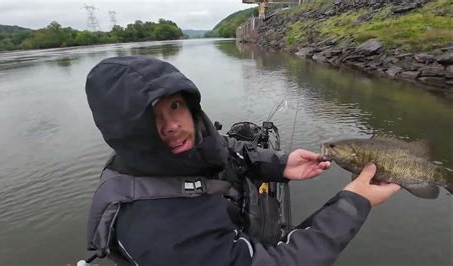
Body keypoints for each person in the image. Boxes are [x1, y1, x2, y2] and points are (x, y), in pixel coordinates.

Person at [83, 56, 400, 266]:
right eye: (152, 118)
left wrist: (280, 164)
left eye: (175, 106)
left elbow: (224, 148)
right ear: (128, 133)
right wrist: (355, 202)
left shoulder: (168, 152)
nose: (172, 126)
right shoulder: (158, 229)